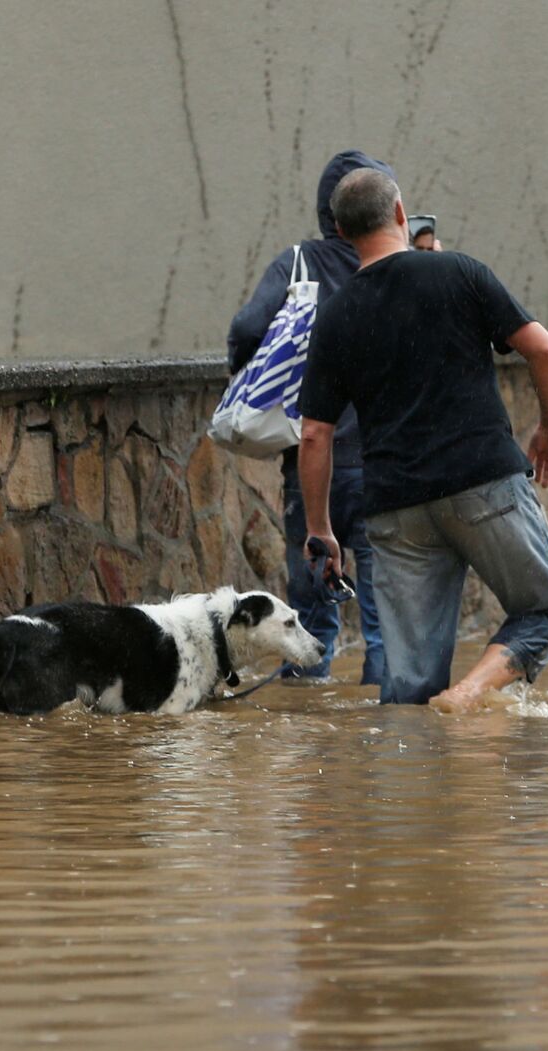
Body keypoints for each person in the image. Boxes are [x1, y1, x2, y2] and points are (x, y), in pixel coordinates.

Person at [296, 168, 548, 712]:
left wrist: (320, 530)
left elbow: (313, 435)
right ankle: (472, 691)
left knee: (407, 690)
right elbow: (544, 352)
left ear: (342, 232)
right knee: (546, 611)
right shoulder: (460, 272)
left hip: (395, 511)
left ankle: (406, 792)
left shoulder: (333, 317)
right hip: (484, 484)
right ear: (401, 213)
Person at [227, 149, 389, 685]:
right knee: (385, 615)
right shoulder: (395, 266)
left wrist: (256, 379)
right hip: (384, 465)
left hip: (310, 462)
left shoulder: (298, 263)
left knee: (311, 614)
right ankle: (388, 733)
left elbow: (250, 325)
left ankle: (311, 739)